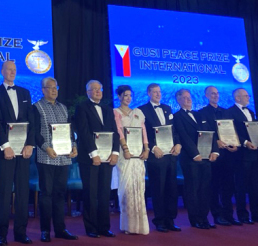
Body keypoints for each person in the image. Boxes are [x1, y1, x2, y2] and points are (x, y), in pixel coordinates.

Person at [0, 61, 35, 245]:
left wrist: (30, 144)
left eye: (14, 70)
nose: (12, 72)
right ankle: (1, 234)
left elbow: (31, 121)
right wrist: (5, 145)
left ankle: (20, 232)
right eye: (9, 69)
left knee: (23, 192)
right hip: (5, 151)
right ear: (2, 72)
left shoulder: (25, 92)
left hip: (23, 151)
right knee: (4, 192)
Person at [33, 77, 79, 242]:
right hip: (46, 156)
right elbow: (35, 132)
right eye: (50, 87)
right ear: (43, 90)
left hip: (63, 158)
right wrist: (47, 147)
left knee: (60, 194)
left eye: (55, 87)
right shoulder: (36, 107)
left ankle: (60, 229)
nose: (53, 90)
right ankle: (45, 230)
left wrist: (74, 146)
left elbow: (69, 130)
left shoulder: (63, 108)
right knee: (47, 194)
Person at [73, 80, 119, 238]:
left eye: (100, 89)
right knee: (91, 193)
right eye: (94, 89)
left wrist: (115, 153)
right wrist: (94, 154)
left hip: (107, 158)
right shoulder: (82, 107)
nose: (98, 91)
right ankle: (91, 228)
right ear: (88, 92)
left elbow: (115, 132)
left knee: (105, 193)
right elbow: (83, 132)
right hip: (90, 159)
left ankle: (104, 227)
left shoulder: (107, 109)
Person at [172, 88, 218, 229]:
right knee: (193, 189)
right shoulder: (177, 117)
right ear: (178, 100)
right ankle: (195, 219)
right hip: (191, 158)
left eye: (189, 97)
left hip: (206, 158)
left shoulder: (200, 114)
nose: (188, 99)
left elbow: (211, 133)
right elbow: (183, 137)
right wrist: (195, 154)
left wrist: (215, 151)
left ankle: (204, 217)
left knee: (205, 189)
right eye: (184, 97)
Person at [138, 83, 181, 233]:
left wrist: (178, 144)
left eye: (159, 91)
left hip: (171, 155)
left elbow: (173, 130)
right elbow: (143, 133)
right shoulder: (142, 110)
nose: (158, 94)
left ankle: (170, 220)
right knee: (159, 189)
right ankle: (160, 221)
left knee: (171, 188)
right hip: (156, 155)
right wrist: (152, 148)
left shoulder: (167, 109)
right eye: (154, 92)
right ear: (148, 93)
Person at [197, 86, 238, 226]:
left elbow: (232, 131)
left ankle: (229, 214)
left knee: (228, 186)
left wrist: (235, 143)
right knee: (214, 186)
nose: (215, 96)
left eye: (217, 93)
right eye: (212, 94)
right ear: (206, 95)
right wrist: (215, 142)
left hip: (228, 154)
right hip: (213, 155)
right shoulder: (201, 113)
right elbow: (202, 134)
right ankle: (217, 215)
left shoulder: (226, 112)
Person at [113, 85, 149, 235]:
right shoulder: (115, 112)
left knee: (139, 188)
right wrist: (126, 149)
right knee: (126, 189)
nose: (128, 98)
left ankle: (140, 226)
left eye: (130, 95)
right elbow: (119, 132)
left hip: (139, 155)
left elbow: (144, 132)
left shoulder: (138, 112)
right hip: (124, 154)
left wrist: (146, 149)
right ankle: (128, 225)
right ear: (120, 96)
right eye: (125, 95)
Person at [225, 88, 258, 224]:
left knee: (256, 186)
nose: (248, 98)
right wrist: (245, 142)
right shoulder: (229, 112)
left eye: (248, 95)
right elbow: (231, 132)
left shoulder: (251, 112)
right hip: (241, 155)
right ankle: (242, 215)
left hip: (254, 154)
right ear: (237, 98)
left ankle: (257, 214)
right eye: (246, 96)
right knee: (241, 187)